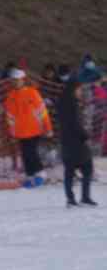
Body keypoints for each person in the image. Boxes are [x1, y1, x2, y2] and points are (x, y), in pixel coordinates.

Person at [4, 68, 53, 188]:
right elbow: (10, 117)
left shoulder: (32, 92)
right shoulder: (10, 96)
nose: (16, 83)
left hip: (34, 130)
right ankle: (30, 175)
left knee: (31, 152)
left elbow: (42, 111)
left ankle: (41, 174)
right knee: (25, 154)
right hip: (20, 132)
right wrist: (11, 133)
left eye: (18, 80)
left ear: (23, 80)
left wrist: (48, 127)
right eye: (14, 81)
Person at [56, 76, 97, 206]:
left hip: (65, 141)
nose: (80, 92)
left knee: (69, 170)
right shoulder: (73, 104)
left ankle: (70, 198)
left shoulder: (61, 102)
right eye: (79, 89)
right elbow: (76, 123)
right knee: (87, 168)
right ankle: (85, 197)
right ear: (74, 89)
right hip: (77, 142)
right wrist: (85, 135)